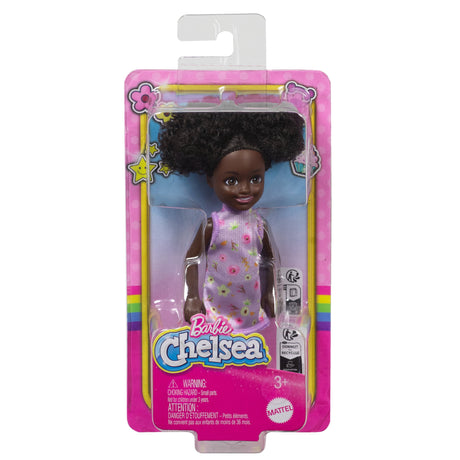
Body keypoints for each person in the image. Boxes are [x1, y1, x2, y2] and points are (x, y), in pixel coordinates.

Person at [158, 111, 305, 333]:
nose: (245, 189)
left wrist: (270, 293)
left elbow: (269, 260)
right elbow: (192, 260)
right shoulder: (213, 225)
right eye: (231, 180)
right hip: (216, 306)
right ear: (211, 180)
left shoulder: (259, 225)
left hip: (251, 307)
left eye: (255, 179)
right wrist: (192, 296)